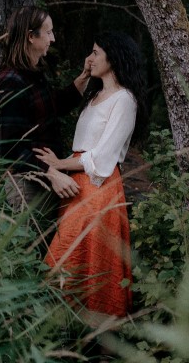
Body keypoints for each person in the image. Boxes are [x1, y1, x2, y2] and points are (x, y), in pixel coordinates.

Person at [35, 31, 150, 324]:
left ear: (113, 57)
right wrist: (84, 74)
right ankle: (67, 337)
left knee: (85, 264)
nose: (90, 57)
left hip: (98, 189)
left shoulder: (124, 100)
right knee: (71, 263)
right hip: (77, 189)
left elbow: (101, 159)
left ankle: (101, 345)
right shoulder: (95, 96)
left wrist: (58, 164)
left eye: (96, 52)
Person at [0, 5, 89, 239]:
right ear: (30, 36)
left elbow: (53, 106)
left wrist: (85, 76)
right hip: (29, 185)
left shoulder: (33, 74)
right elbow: (11, 148)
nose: (52, 38)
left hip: (44, 180)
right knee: (31, 255)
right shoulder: (11, 81)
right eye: (48, 32)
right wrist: (52, 173)